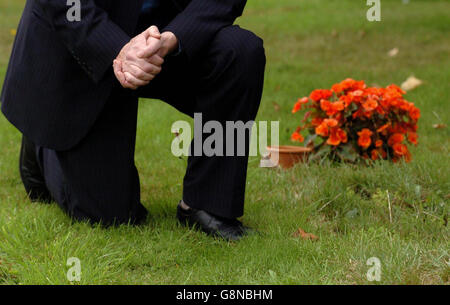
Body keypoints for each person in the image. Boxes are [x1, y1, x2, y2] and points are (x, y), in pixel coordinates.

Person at [0, 0, 266, 241]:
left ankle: (207, 205)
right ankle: (41, 149)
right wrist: (118, 48)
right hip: (84, 35)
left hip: (164, 34)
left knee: (239, 52)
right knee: (108, 214)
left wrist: (173, 38)